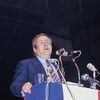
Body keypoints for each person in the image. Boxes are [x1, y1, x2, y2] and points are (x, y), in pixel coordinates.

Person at [10, 33, 65, 98]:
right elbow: (14, 86)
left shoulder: (57, 66)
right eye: (42, 43)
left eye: (47, 42)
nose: (46, 44)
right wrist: (23, 87)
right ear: (35, 49)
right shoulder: (26, 64)